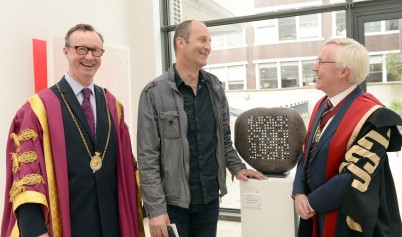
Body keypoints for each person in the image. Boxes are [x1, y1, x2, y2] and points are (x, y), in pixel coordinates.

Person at [1, 24, 144, 237]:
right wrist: (35, 231)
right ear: (66, 51)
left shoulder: (113, 106)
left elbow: (124, 172)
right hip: (68, 226)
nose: (90, 57)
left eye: (96, 51)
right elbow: (26, 176)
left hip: (111, 225)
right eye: (81, 49)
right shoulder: (39, 109)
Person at [137, 20, 267, 237]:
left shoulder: (215, 87)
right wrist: (156, 210)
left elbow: (223, 138)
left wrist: (236, 167)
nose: (208, 46)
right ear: (181, 42)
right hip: (172, 206)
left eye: (209, 41)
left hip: (209, 200)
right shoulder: (153, 92)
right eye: (202, 39)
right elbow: (147, 157)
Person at [293, 38, 402, 237]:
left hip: (346, 219)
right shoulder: (322, 106)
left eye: (321, 62)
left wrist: (311, 202)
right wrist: (299, 192)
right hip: (314, 214)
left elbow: (353, 176)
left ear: (344, 71)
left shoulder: (374, 116)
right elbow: (306, 152)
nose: (314, 68)